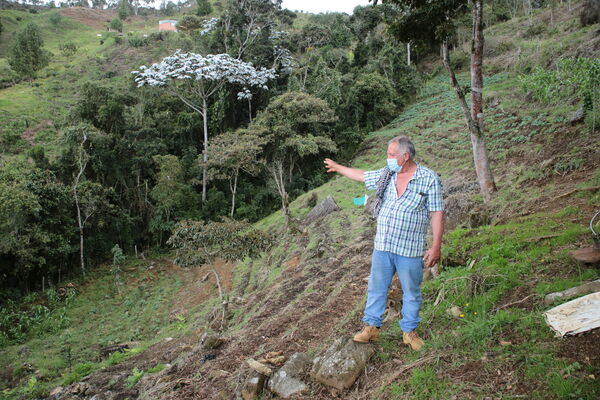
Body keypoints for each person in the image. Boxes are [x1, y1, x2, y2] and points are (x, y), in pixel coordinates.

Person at [323, 135, 444, 351]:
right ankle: (372, 327)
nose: (387, 158)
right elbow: (362, 176)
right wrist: (338, 167)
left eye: (391, 155)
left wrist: (436, 246)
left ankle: (409, 332)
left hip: (409, 249)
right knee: (377, 287)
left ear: (404, 156)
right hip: (383, 245)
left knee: (411, 290)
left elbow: (437, 213)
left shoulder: (429, 179)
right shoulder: (388, 174)